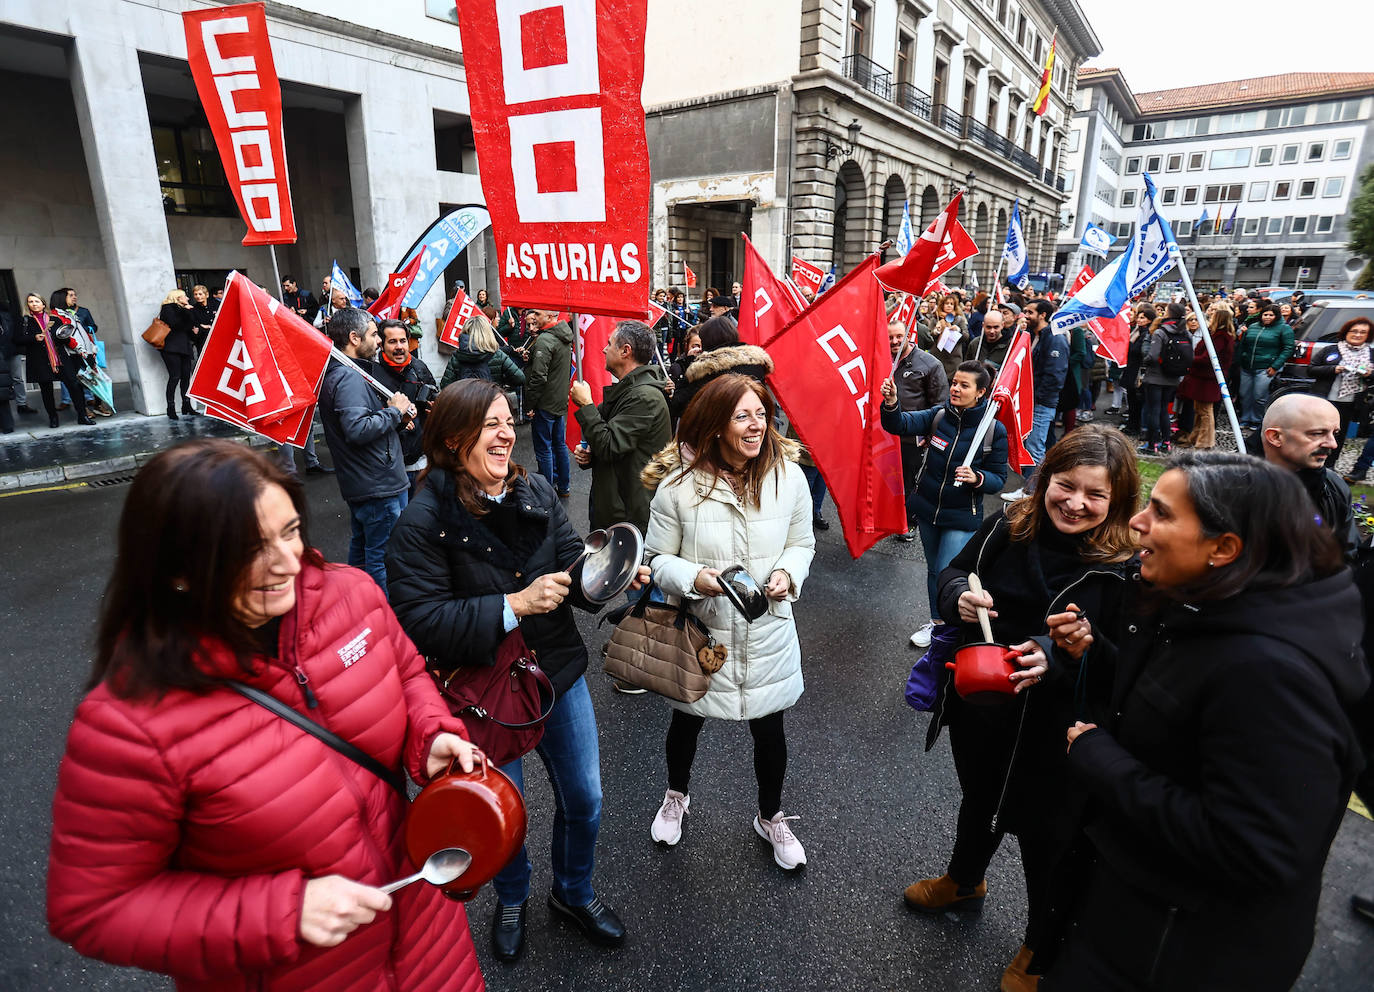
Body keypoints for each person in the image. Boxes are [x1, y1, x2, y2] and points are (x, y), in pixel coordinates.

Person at [46, 439, 484, 992]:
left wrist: (431, 733)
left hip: (428, 945)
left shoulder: (352, 594)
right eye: (251, 549)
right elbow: (92, 907)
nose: (287, 563)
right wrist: (282, 912)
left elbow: (405, 671)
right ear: (178, 567)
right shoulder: (129, 724)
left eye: (290, 531)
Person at [1046, 452, 1366, 992]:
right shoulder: (1204, 605)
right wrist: (1094, 656)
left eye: (1162, 513)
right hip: (1134, 909)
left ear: (1224, 549)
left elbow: (1254, 847)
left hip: (1181, 948)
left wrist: (1100, 759)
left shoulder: (1271, 672)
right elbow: (1177, 708)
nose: (1137, 523)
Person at [386, 380, 642, 963]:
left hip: (553, 672)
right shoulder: (423, 521)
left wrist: (608, 576)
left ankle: (573, 893)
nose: (508, 434)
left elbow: (572, 565)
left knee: (585, 798)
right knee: (506, 813)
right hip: (482, 690)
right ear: (454, 439)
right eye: (492, 425)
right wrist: (513, 605)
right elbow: (420, 622)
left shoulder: (537, 490)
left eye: (509, 422)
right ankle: (512, 896)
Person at [908, 425, 1140, 992]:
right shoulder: (1009, 525)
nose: (1076, 502)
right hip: (983, 704)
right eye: (1065, 485)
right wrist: (955, 595)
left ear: (1118, 502)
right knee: (980, 798)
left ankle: (1041, 946)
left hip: (1061, 726)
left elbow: (1128, 661)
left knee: (1049, 838)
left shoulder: (1129, 566)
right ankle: (965, 880)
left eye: (1095, 495)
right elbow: (954, 570)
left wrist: (1061, 654)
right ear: (1045, 480)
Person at [640, 374, 817, 868]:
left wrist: (787, 572)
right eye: (742, 415)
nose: (756, 424)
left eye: (761, 413)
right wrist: (700, 578)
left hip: (768, 631)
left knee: (770, 730)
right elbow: (657, 559)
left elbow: (802, 544)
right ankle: (677, 795)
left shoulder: (790, 477)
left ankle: (771, 816)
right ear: (717, 425)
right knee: (686, 723)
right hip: (704, 630)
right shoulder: (678, 488)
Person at [881, 360, 1008, 648]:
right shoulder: (940, 415)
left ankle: (953, 631)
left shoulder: (992, 430)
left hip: (962, 515)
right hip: (927, 508)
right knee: (934, 571)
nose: (955, 389)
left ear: (980, 392)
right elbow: (898, 424)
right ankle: (937, 625)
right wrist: (891, 402)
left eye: (964, 385)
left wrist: (977, 477)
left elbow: (999, 479)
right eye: (954, 383)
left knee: (946, 570)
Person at [317, 307, 413, 590]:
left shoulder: (346, 373)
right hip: (376, 484)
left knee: (363, 550)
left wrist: (396, 420)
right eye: (374, 334)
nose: (379, 341)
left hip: (368, 481)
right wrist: (394, 413)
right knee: (382, 557)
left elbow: (362, 424)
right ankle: (382, 614)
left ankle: (358, 603)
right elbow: (357, 429)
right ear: (354, 338)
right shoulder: (347, 377)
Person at [569, 320, 671, 535]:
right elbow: (611, 443)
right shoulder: (629, 391)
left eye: (609, 343)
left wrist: (586, 405)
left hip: (627, 512)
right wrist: (590, 454)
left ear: (626, 351)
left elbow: (610, 445)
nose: (604, 349)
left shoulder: (645, 397)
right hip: (614, 504)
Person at [1259, 393, 1360, 561]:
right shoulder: (1234, 491)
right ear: (1275, 437)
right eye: (1318, 433)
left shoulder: (1334, 485)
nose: (1333, 444)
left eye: (1335, 433)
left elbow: (1348, 552)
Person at [887, 317, 949, 542]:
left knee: (909, 481)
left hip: (912, 437)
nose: (894, 341)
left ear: (908, 335)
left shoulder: (930, 364)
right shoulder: (881, 358)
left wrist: (931, 434)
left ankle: (909, 523)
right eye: (890, 337)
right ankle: (887, 519)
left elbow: (941, 405)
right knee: (885, 480)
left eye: (898, 337)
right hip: (884, 434)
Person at [1002, 300, 1067, 502]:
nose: (1025, 315)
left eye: (1030, 312)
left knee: (1034, 448)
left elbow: (1055, 376)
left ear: (1043, 315)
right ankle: (1038, 488)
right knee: (1041, 446)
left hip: (1041, 403)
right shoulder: (1035, 336)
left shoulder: (1055, 339)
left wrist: (1035, 399)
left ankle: (1031, 492)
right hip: (1035, 401)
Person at [373, 318, 438, 494]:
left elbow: (435, 398)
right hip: (389, 466)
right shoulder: (372, 373)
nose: (399, 347)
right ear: (382, 344)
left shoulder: (419, 368)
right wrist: (395, 418)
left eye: (403, 341)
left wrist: (436, 410)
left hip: (420, 461)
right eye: (392, 341)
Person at [668, 316, 767, 418]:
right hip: (756, 423)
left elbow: (679, 404)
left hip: (717, 428)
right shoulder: (755, 364)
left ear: (707, 341)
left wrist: (690, 363)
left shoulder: (706, 370)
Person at [1308, 316, 1374, 469]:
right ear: (1346, 332)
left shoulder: (1370, 354)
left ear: (1368, 335)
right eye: (1354, 331)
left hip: (1350, 404)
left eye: (1363, 332)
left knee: (1338, 436)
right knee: (1316, 432)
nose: (1358, 335)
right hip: (1325, 400)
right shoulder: (1331, 350)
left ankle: (1329, 466)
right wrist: (1333, 369)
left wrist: (1368, 374)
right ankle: (1309, 462)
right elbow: (1311, 369)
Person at [523, 309, 574, 498]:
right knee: (559, 444)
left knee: (544, 447)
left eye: (538, 313)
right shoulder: (561, 336)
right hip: (558, 400)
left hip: (545, 402)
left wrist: (529, 405)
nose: (535, 317)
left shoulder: (546, 339)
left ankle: (546, 492)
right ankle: (564, 486)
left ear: (551, 316)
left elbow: (538, 378)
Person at [23, 292, 92, 427]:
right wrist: (33, 338)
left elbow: (65, 338)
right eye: (31, 302)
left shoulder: (55, 319)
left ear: (43, 304)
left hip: (60, 359)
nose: (34, 304)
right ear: (28, 305)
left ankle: (82, 416)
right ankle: (53, 418)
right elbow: (17, 339)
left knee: (74, 385)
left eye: (37, 301)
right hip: (40, 361)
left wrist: (80, 349)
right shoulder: (25, 321)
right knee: (46, 391)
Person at [1173, 306, 1236, 450]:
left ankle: (1206, 441)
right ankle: (1196, 437)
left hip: (1207, 378)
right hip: (1202, 377)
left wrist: (1190, 358)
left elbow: (1209, 357)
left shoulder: (1221, 337)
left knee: (1206, 411)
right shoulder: (1218, 335)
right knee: (1199, 410)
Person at [1138, 303, 1189, 456]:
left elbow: (1153, 356)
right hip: (1173, 377)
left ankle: (1152, 443)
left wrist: (1145, 362)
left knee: (1154, 410)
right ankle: (1166, 442)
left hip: (1155, 376)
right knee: (1164, 411)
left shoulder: (1161, 332)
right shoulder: (1185, 333)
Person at [1236, 302, 1295, 430]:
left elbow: (1288, 348)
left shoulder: (1284, 328)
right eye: (1265, 314)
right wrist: (1240, 359)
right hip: (1247, 366)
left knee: (1259, 396)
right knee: (1244, 394)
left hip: (1265, 367)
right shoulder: (1253, 326)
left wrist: (1275, 365)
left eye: (1271, 315)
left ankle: (1257, 420)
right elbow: (1243, 344)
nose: (1267, 317)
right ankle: (1245, 418)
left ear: (1276, 316)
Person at [440, 314, 523, 389]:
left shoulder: (457, 356)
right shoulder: (497, 355)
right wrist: (501, 382)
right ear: (488, 333)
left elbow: (445, 386)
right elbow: (520, 378)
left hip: (464, 403)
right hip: (491, 401)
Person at [153, 289, 198, 420]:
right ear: (178, 298)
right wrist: (186, 311)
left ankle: (186, 405)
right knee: (175, 377)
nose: (188, 299)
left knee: (185, 377)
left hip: (184, 346)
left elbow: (189, 325)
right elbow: (176, 324)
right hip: (171, 348)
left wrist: (189, 313)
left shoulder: (184, 309)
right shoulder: (168, 308)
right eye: (185, 297)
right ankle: (170, 408)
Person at [920, 293, 971, 382]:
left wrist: (958, 330)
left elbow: (966, 337)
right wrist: (936, 331)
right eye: (947, 303)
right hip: (938, 356)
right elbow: (929, 337)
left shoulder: (959, 320)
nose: (949, 306)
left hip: (953, 358)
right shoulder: (935, 319)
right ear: (942, 305)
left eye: (951, 304)